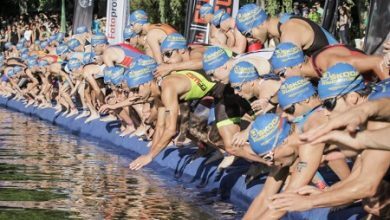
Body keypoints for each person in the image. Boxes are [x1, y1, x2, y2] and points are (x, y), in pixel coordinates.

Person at [268, 64, 390, 219]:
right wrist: (328, 193)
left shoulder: (377, 119)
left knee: (376, 203)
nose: (324, 112)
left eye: (329, 104)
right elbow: (358, 175)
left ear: (352, 97)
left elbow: (366, 186)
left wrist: (311, 202)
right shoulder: (372, 98)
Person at [128, 55, 216, 170]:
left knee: (193, 128)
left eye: (136, 90)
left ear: (147, 83)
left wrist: (150, 156)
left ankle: (225, 151)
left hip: (218, 89)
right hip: (204, 94)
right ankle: (207, 147)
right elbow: (160, 126)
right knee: (181, 124)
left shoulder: (167, 89)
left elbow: (170, 130)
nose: (136, 95)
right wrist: (149, 156)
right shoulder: (158, 92)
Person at [235, 3, 338, 56]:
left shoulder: (289, 31)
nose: (249, 40)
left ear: (260, 24)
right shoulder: (284, 21)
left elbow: (293, 76)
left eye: (248, 34)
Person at [270, 42, 389, 80]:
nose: (282, 80)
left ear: (298, 65)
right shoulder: (315, 69)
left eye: (282, 74)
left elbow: (377, 62)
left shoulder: (327, 63)